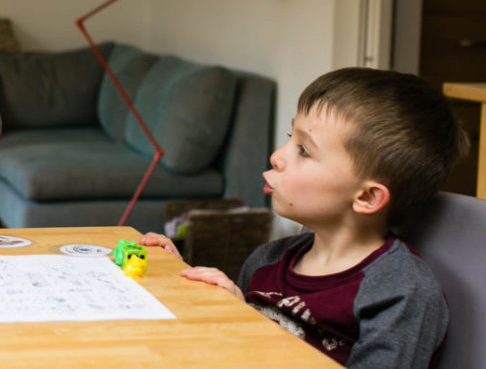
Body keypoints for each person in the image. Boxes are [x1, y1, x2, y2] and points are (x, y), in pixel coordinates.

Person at [140, 67, 468, 368]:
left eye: (305, 150)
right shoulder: (267, 261)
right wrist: (183, 284)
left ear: (367, 197)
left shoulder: (400, 292)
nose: (277, 156)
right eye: (290, 138)